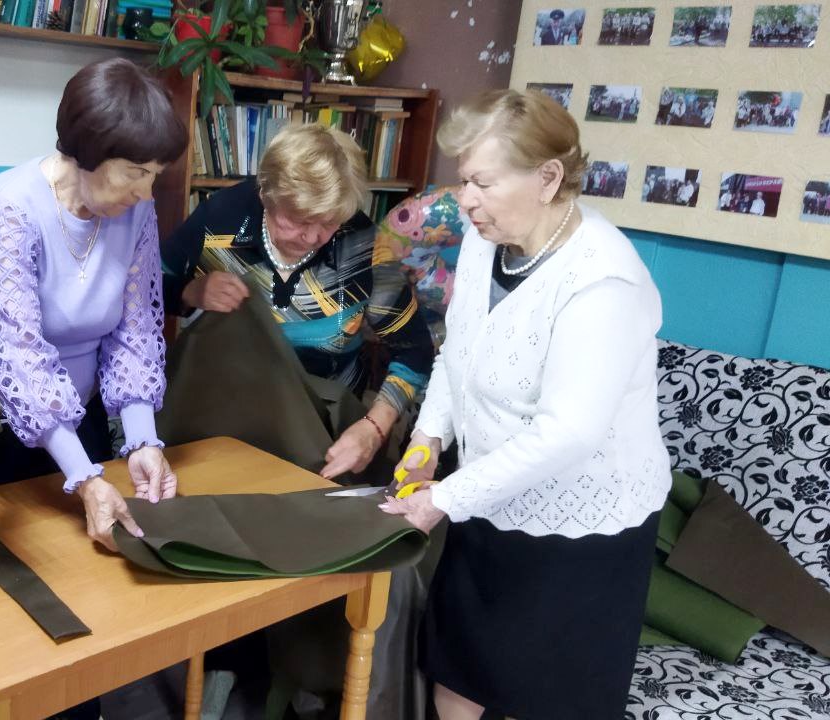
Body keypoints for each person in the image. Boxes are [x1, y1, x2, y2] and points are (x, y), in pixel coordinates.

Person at [379, 89, 671, 720]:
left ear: (548, 178)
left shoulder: (602, 280)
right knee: (457, 676)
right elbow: (459, 351)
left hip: (579, 528)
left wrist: (445, 498)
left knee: (537, 698)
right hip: (487, 498)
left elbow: (569, 433)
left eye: (482, 183)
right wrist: (428, 439)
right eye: (464, 180)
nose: (465, 200)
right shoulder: (485, 239)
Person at [0, 58, 186, 551]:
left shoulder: (136, 211)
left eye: (155, 175)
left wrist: (142, 439)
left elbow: (136, 331)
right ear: (88, 150)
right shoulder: (7, 208)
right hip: (0, 430)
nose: (146, 191)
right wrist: (82, 476)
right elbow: (18, 354)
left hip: (84, 419)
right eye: (136, 172)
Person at [164, 122, 436, 482]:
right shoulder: (221, 218)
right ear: (266, 195)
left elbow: (415, 351)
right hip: (220, 425)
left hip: (319, 434)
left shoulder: (362, 246)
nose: (311, 237)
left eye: (328, 222)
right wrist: (190, 292)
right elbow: (145, 293)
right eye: (296, 220)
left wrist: (374, 427)